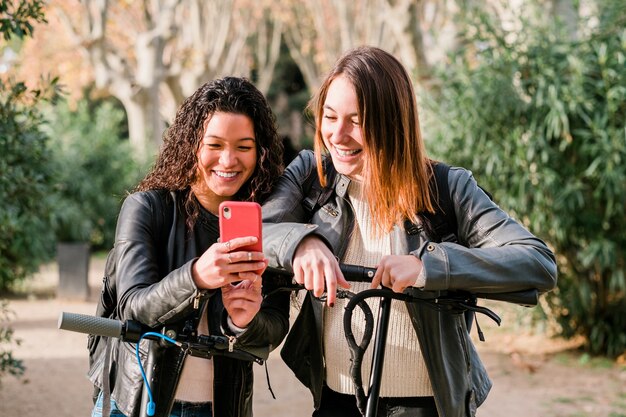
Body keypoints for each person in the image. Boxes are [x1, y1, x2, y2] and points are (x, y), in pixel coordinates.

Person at [262, 46, 557, 417]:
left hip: (426, 407)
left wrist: (427, 267)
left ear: (392, 122)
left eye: (356, 120)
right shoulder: (311, 174)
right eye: (330, 116)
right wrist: (301, 243)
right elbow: (255, 231)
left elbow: (537, 263)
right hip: (336, 401)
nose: (337, 134)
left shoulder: (448, 187)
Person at [89, 76, 289, 417]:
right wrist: (196, 275)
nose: (228, 161)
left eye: (243, 147)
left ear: (260, 153)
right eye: (214, 145)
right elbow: (133, 305)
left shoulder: (268, 222)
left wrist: (244, 322)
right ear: (190, 144)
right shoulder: (146, 208)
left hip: (222, 408)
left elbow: (274, 327)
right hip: (139, 402)